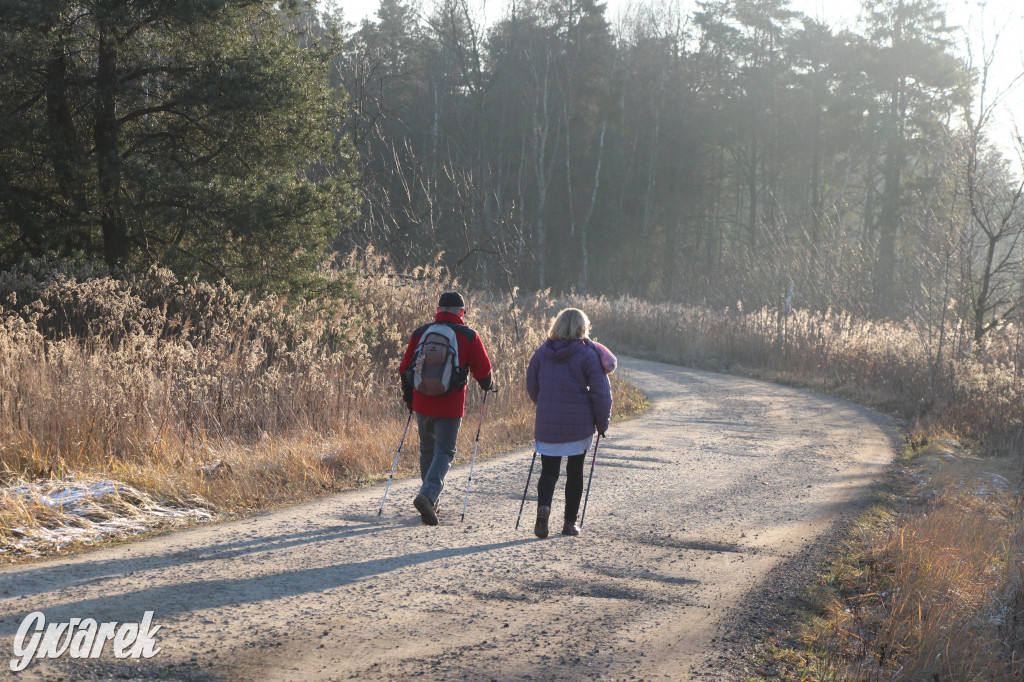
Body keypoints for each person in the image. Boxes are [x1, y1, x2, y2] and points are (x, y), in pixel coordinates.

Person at [399, 292, 494, 525]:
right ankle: (428, 497)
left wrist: (410, 401)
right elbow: (483, 372)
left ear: (438, 310)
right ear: (461, 312)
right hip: (450, 405)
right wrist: (488, 385)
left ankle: (430, 500)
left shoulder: (421, 333)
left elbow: (404, 369)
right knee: (444, 451)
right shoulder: (468, 335)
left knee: (427, 449)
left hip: (422, 402)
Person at [526, 308, 612, 537]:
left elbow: (531, 385)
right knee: (575, 472)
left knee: (548, 471)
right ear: (581, 328)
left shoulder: (541, 353)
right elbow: (601, 393)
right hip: (578, 425)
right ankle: (569, 523)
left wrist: (544, 405)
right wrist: (602, 423)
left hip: (548, 423)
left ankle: (544, 509)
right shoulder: (588, 355)